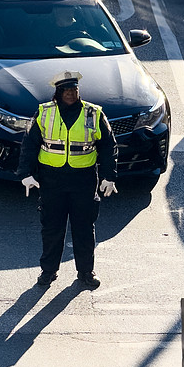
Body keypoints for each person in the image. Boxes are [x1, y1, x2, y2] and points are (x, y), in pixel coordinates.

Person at [18, 70, 118, 289]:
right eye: (66, 90)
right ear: (58, 92)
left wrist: (109, 176)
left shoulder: (94, 113)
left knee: (83, 227)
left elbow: (108, 147)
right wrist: (25, 173)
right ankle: (48, 271)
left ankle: (85, 272)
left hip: (83, 179)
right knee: (52, 227)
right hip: (52, 179)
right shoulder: (44, 113)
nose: (71, 94)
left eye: (74, 90)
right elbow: (30, 144)